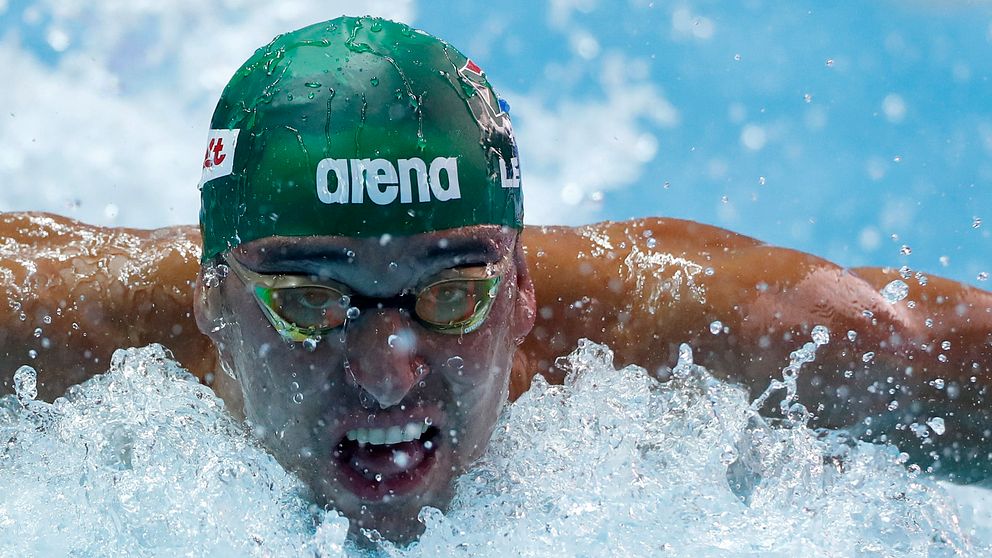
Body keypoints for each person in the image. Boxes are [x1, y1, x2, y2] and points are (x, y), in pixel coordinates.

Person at [1, 16, 990, 543]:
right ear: (210, 300)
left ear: (519, 291)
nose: (386, 369)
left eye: (448, 295)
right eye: (308, 301)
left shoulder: (687, 335)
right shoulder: (53, 335)